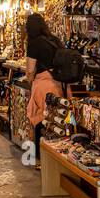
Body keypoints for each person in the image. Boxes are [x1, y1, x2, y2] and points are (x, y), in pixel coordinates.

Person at [25, 13, 65, 167]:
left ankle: (41, 159)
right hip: (59, 85)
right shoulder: (54, 40)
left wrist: (29, 80)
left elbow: (30, 70)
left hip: (43, 86)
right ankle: (58, 155)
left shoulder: (34, 43)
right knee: (57, 120)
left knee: (41, 119)